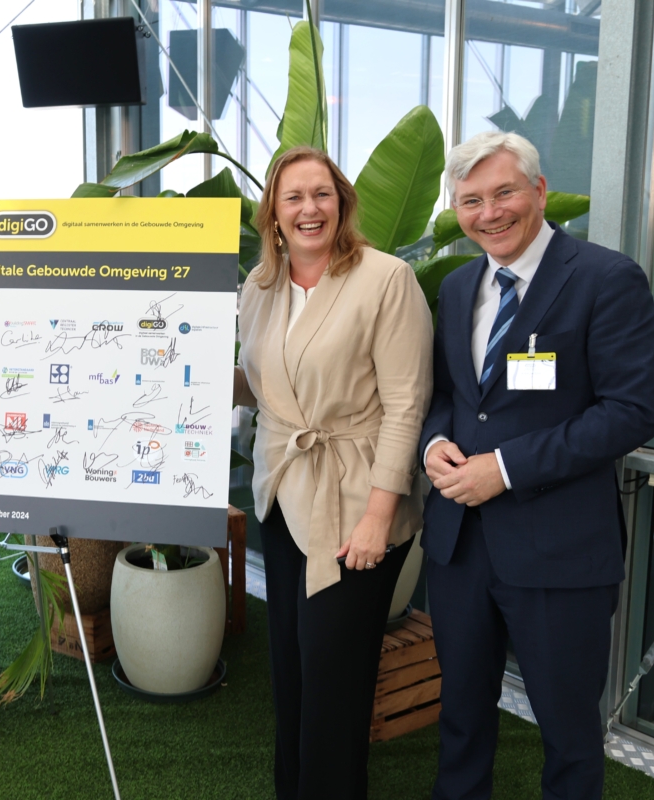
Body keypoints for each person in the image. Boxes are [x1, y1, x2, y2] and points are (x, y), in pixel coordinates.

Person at [420, 132, 654, 800]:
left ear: (539, 191)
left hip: (560, 549)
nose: (489, 213)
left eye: (504, 193)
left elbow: (631, 411)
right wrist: (433, 445)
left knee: (568, 734)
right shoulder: (458, 287)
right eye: (471, 200)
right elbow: (448, 395)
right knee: (461, 718)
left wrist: (504, 467)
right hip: (460, 547)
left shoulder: (606, 278)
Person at [234, 146, 433, 799]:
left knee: (333, 688)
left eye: (321, 193)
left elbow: (406, 405)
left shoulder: (385, 279)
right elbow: (267, 386)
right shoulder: (260, 287)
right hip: (283, 495)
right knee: (292, 675)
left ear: (342, 203)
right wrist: (183, 374)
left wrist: (379, 517)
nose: (308, 208)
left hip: (355, 504)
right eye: (293, 196)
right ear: (273, 211)